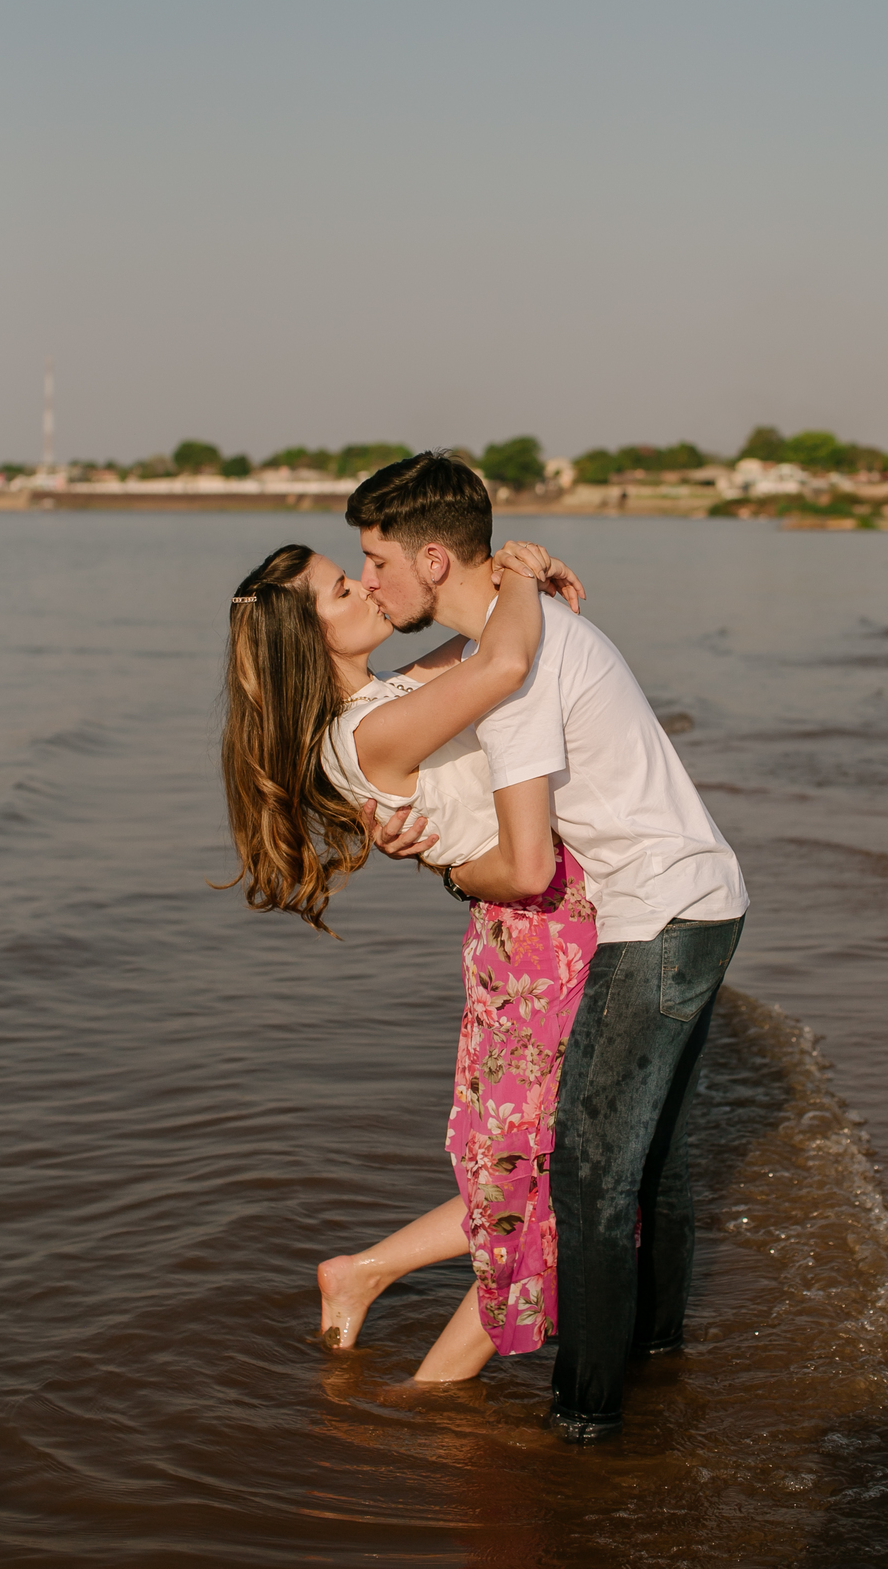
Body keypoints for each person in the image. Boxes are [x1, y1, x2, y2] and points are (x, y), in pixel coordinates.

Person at [348, 452, 748, 1443]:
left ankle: (585, 1424)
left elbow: (527, 870)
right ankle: (657, 1362)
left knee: (589, 1182)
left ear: (433, 560)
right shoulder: (524, 635)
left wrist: (445, 870)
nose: (369, 582)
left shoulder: (517, 675)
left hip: (655, 916)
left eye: (377, 561)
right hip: (706, 896)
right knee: (654, 1168)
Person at [219, 534, 596, 1383]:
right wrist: (521, 576)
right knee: (551, 1184)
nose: (366, 586)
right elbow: (502, 663)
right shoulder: (371, 728)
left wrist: (512, 571)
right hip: (535, 938)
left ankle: (365, 1273)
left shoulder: (390, 694)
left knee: (533, 1170)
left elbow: (487, 637)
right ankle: (429, 1402)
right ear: (309, 640)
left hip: (537, 932)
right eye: (341, 591)